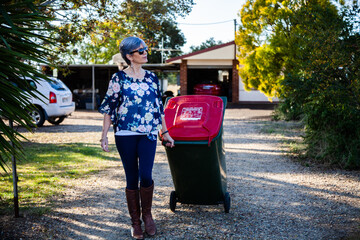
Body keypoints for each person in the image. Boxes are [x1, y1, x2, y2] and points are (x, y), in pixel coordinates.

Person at [98, 36, 175, 239]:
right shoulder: (118, 79)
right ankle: (135, 222)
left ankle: (148, 216)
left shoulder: (151, 77)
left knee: (146, 175)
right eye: (141, 51)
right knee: (131, 177)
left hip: (148, 134)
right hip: (125, 134)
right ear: (130, 56)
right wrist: (104, 135)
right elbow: (109, 108)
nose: (145, 53)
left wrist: (165, 132)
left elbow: (159, 108)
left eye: (145, 49)